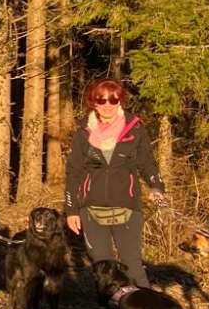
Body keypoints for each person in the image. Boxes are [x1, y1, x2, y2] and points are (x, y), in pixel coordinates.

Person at [65, 78, 164, 287]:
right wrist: (71, 210)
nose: (108, 106)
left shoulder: (135, 128)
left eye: (113, 100)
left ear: (121, 101)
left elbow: (147, 163)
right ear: (94, 102)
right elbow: (73, 172)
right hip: (91, 210)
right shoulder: (84, 132)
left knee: (132, 265)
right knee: (103, 270)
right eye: (102, 100)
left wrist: (156, 186)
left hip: (127, 207)